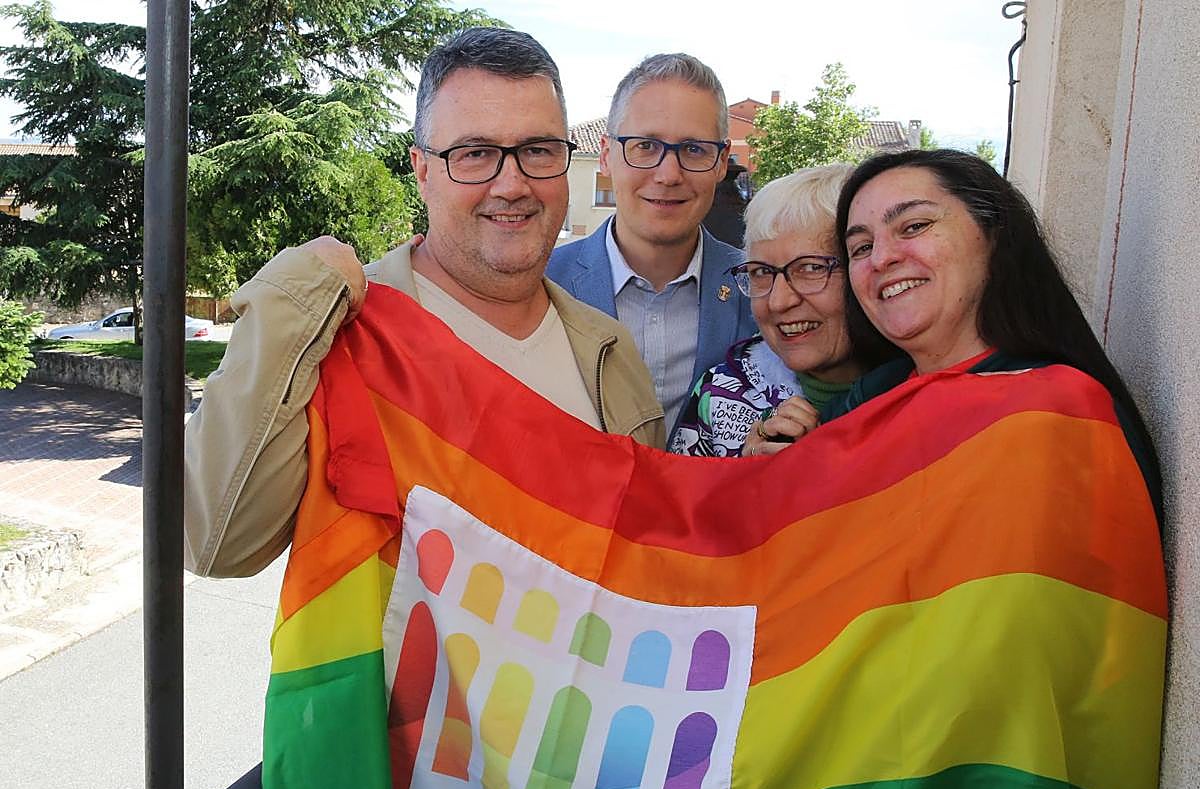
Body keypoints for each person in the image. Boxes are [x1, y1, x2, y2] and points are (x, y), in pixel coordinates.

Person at [183, 28, 664, 579]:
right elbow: (214, 543)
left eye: (538, 151)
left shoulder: (609, 351)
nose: (512, 184)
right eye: (475, 153)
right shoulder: (338, 334)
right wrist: (296, 296)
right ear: (423, 170)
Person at [831, 148, 1162, 513]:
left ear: (993, 235)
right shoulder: (867, 401)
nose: (880, 258)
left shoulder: (1062, 411)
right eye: (861, 248)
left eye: (914, 226)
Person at [546, 54, 757, 438]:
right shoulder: (541, 287)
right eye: (645, 146)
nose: (668, 174)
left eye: (694, 149)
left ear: (722, 162)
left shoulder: (762, 289)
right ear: (606, 156)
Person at [670, 163, 889, 457]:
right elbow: (679, 487)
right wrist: (749, 473)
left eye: (810, 268)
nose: (778, 302)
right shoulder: (721, 394)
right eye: (761, 272)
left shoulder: (925, 386)